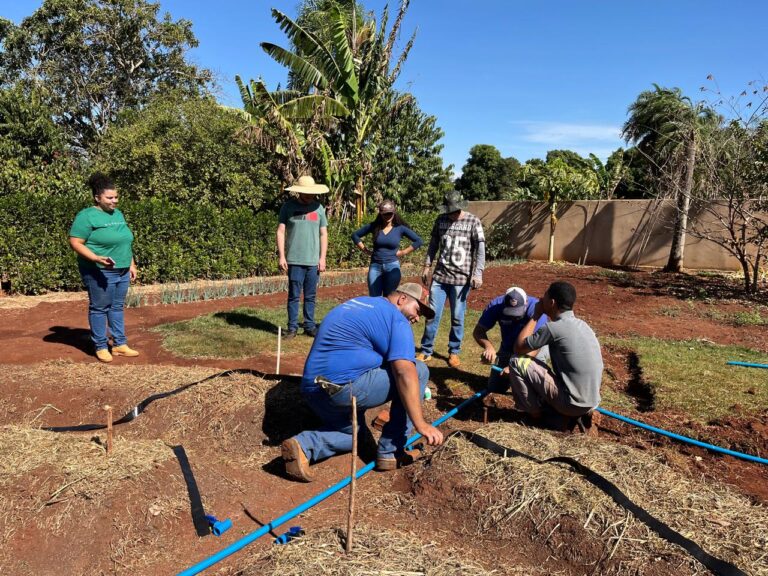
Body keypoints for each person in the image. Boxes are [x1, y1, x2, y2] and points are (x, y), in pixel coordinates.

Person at [281, 282, 444, 482]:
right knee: (418, 371)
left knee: (355, 435)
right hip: (343, 388)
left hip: (312, 390)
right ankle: (392, 452)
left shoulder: (358, 303)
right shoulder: (396, 319)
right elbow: (404, 372)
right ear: (402, 299)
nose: (417, 318)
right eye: (417, 310)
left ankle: (303, 445)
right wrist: (421, 424)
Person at [68, 173, 139, 363]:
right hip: (98, 270)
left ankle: (119, 345)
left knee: (116, 307)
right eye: (109, 198)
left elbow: (125, 241)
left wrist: (131, 264)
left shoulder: (118, 214)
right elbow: (75, 241)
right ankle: (100, 346)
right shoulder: (86, 216)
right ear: (97, 198)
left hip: (122, 269)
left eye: (116, 197)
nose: (114, 201)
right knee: (100, 308)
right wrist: (95, 257)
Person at [509, 281, 602, 422]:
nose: (541, 299)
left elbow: (519, 347)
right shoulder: (584, 326)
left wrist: (536, 315)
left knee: (517, 362)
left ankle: (535, 415)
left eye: (544, 296)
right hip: (592, 401)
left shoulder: (554, 328)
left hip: (571, 404)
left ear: (552, 302)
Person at [417, 190, 485, 368]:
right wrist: (426, 266)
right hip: (440, 278)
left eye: (454, 210)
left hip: (461, 280)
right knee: (432, 315)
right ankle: (426, 350)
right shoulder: (440, 220)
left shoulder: (473, 221)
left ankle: (454, 352)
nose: (452, 214)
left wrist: (478, 273)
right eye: (449, 211)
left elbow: (480, 249)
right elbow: (433, 245)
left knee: (457, 317)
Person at [277, 175, 329, 339]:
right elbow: (280, 231)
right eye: (305, 194)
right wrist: (282, 256)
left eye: (311, 194)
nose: (308, 197)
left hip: (313, 261)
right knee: (293, 295)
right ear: (299, 192)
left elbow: (323, 234)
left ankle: (309, 326)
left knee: (311, 296)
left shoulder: (318, 208)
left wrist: (322, 258)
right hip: (294, 260)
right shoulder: (288, 207)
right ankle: (292, 328)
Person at [473, 287, 548, 391]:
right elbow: (478, 331)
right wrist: (488, 347)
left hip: (532, 348)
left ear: (525, 303)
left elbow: (538, 344)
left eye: (517, 313)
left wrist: (516, 365)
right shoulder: (495, 306)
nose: (514, 317)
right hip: (508, 347)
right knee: (495, 388)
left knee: (533, 390)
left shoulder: (536, 309)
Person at [351, 199, 423, 296]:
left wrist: (403, 252)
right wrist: (365, 250)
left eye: (390, 214)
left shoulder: (400, 228)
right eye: (385, 214)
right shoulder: (374, 226)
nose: (388, 216)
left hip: (392, 267)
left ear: (394, 213)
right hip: (375, 267)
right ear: (380, 214)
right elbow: (355, 235)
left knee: (389, 298)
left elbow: (419, 241)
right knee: (374, 299)